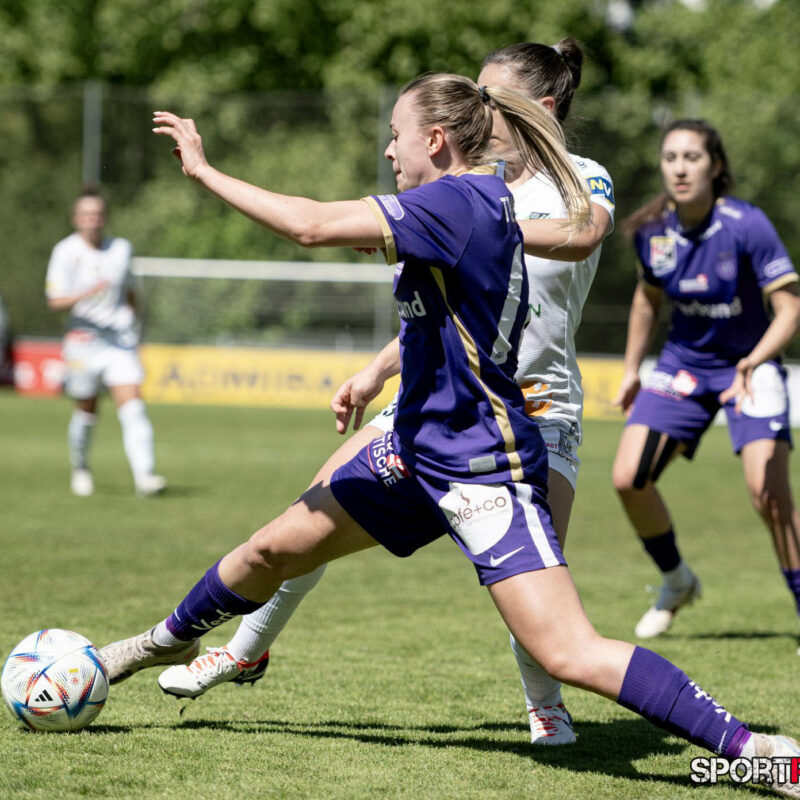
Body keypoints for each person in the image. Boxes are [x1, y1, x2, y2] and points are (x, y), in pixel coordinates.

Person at [99, 77, 800, 795]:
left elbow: (307, 224)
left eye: (395, 135)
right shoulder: (473, 201)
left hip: (480, 464)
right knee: (271, 547)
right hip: (412, 448)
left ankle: (760, 750)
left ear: (434, 140)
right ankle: (149, 647)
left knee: (567, 651)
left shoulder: (456, 202)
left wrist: (204, 170)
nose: (388, 150)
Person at [155, 39, 615, 747]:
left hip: (535, 403)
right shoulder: (464, 185)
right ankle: (243, 649)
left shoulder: (579, 177)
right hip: (436, 392)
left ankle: (545, 703)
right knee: (313, 507)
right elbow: (447, 307)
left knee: (538, 569)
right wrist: (376, 371)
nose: (477, 106)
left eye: (491, 96)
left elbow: (584, 235)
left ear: (542, 108)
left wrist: (479, 229)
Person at [611, 120, 800, 643]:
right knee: (628, 478)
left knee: (769, 495)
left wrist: (754, 360)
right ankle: (677, 581)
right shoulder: (652, 231)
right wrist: (631, 370)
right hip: (684, 367)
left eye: (691, 157)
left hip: (750, 365)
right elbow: (647, 299)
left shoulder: (747, 224)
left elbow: (789, 310)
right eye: (670, 157)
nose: (679, 168)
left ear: (715, 166)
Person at [45, 189, 166, 497]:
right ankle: (81, 467)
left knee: (133, 406)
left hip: (118, 341)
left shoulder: (121, 249)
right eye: (86, 215)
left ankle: (145, 476)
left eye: (98, 214)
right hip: (83, 340)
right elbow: (54, 301)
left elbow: (130, 290)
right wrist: (88, 291)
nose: (93, 220)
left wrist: (133, 319)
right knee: (87, 409)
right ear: (75, 219)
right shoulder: (65, 252)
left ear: (105, 218)